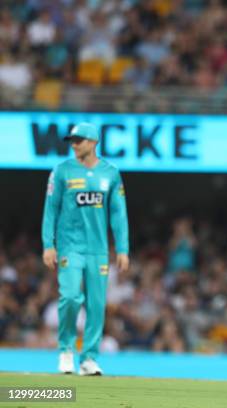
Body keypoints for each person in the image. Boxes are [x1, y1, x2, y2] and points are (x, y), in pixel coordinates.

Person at [42, 122, 129, 375]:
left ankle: (89, 358)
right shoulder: (62, 171)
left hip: (98, 249)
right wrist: (49, 245)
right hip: (70, 247)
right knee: (69, 296)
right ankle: (67, 350)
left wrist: (122, 249)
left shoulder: (110, 173)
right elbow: (51, 209)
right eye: (72, 140)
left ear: (93, 143)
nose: (74, 144)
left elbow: (118, 213)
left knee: (97, 303)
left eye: (78, 140)